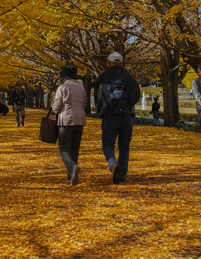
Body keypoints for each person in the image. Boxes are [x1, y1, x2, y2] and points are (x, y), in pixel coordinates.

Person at [94, 51, 141, 183]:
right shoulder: (128, 77)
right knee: (124, 145)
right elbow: (137, 94)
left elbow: (98, 96)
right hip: (126, 115)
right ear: (121, 63)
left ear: (108, 62)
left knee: (108, 143)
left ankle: (112, 163)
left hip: (109, 114)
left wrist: (100, 110)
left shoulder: (103, 77)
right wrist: (127, 105)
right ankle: (123, 173)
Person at [52, 63, 86, 185]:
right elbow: (84, 103)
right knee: (74, 148)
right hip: (79, 120)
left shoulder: (62, 87)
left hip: (66, 120)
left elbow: (57, 106)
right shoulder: (81, 87)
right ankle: (72, 175)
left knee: (64, 148)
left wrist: (53, 107)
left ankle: (72, 169)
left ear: (65, 76)